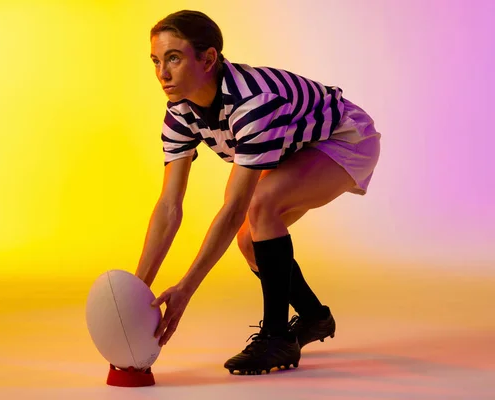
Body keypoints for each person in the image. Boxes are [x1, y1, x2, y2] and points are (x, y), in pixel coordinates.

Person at [135, 10, 381, 375]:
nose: (162, 73)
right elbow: (170, 205)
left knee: (260, 205)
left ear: (208, 58)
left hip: (345, 139)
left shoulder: (253, 104)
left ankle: (278, 338)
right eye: (156, 60)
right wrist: (137, 292)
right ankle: (314, 317)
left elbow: (235, 206)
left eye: (174, 58)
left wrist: (185, 289)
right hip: (295, 144)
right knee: (250, 242)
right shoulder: (179, 113)